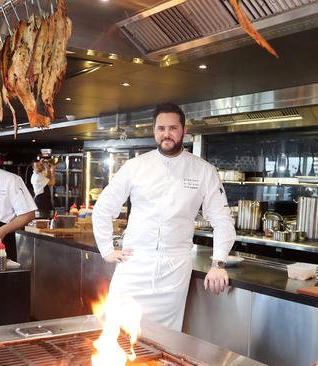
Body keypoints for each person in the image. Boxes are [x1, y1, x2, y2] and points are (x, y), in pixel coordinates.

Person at [92, 102, 236, 331]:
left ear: (183, 131)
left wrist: (218, 262)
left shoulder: (203, 170)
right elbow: (103, 208)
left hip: (174, 269)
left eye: (172, 128)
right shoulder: (135, 166)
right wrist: (107, 249)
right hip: (134, 263)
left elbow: (222, 220)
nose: (166, 134)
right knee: (116, 330)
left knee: (164, 338)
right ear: (154, 130)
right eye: (161, 128)